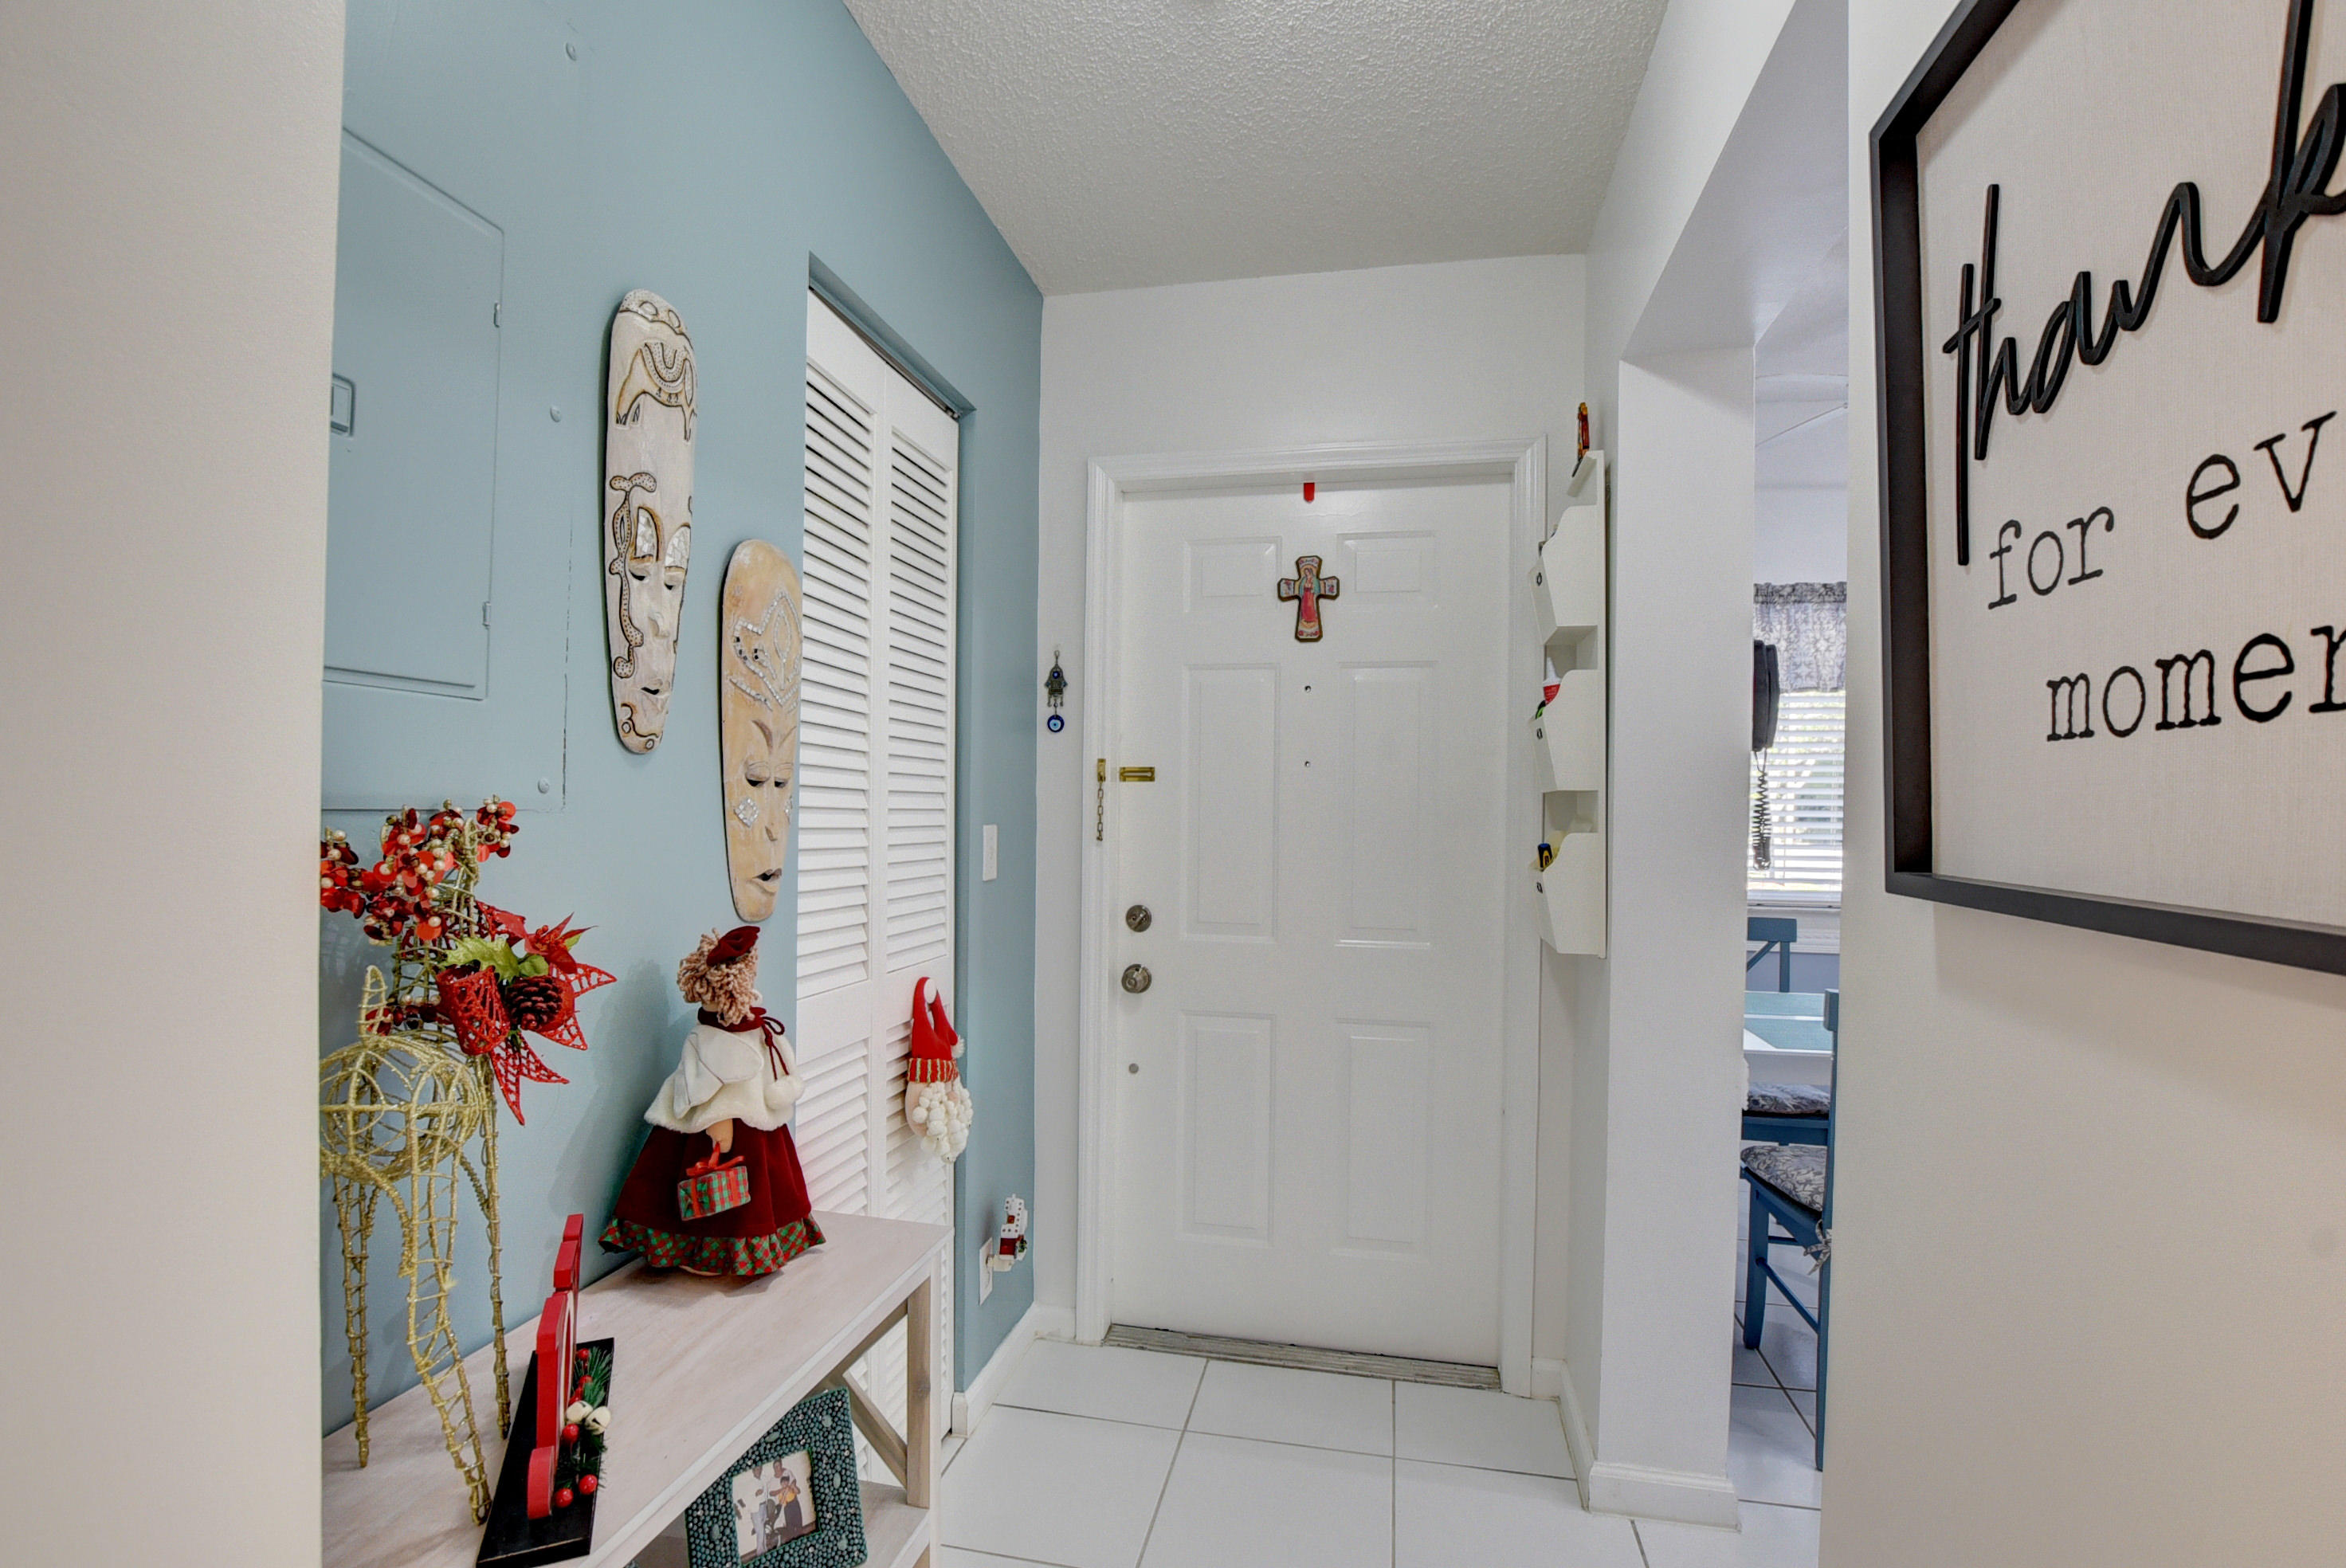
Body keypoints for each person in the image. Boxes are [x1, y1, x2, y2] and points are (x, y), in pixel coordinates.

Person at [600, 926, 823, 1276]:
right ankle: (708, 1251)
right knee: (722, 1188)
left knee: (764, 1180)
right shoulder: (710, 1037)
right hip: (723, 1124)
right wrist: (718, 1117)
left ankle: (743, 1246)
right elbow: (704, 1082)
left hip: (755, 1116)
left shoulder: (754, 1027)